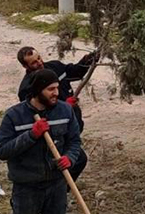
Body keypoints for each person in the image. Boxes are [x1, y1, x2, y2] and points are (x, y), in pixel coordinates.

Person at [0, 69, 83, 214]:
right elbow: (2, 150)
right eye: (51, 89)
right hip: (26, 187)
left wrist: (69, 158)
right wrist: (31, 135)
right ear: (37, 90)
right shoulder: (14, 116)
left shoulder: (65, 110)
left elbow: (74, 141)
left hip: (56, 184)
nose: (56, 93)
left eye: (57, 88)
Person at [17, 46, 93, 181]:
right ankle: (59, 188)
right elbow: (37, 113)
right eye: (34, 62)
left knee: (76, 159)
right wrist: (63, 107)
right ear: (25, 66)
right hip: (54, 133)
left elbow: (76, 72)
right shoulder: (26, 88)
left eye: (39, 58)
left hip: (71, 124)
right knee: (77, 159)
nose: (39, 62)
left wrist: (89, 59)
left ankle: (61, 189)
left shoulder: (55, 67)